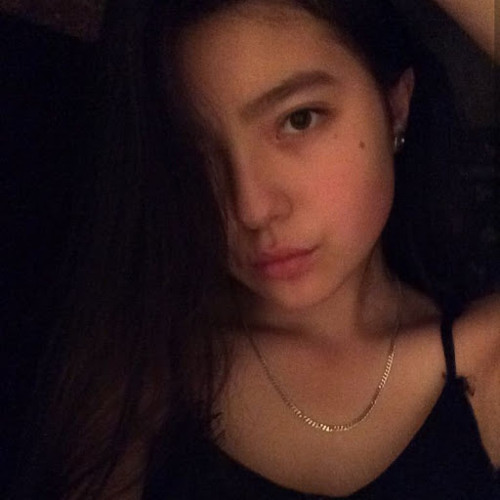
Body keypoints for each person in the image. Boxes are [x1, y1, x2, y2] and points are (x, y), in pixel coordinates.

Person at [10, 0, 498, 498]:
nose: (250, 208)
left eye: (299, 119)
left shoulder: (485, 360)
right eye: (193, 153)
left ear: (395, 106)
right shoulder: (139, 379)